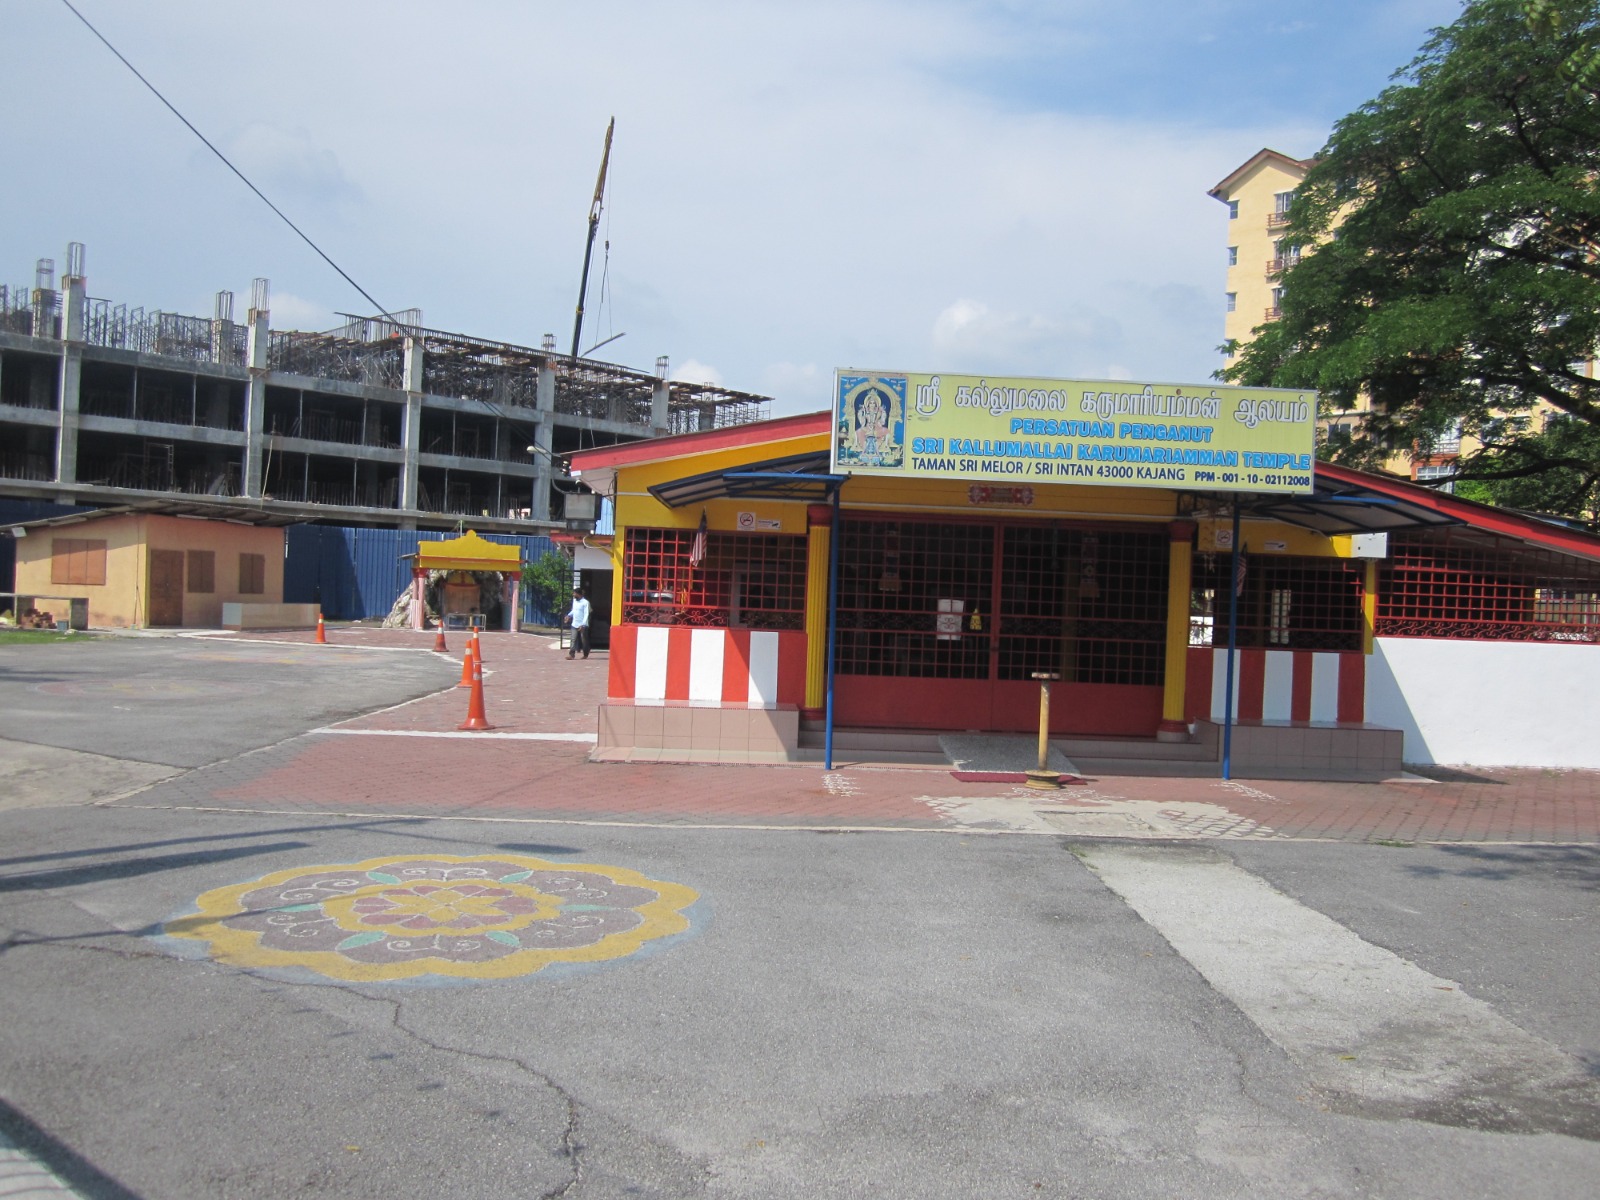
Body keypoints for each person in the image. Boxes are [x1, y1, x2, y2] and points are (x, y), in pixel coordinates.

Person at [564, 587, 591, 659]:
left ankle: (585, 653)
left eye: (574, 593)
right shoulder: (575, 602)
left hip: (583, 625)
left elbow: (586, 614)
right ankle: (571, 654)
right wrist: (569, 615)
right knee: (573, 639)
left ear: (579, 594)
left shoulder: (585, 603)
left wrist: (583, 624)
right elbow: (574, 611)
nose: (573, 595)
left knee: (584, 640)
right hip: (574, 624)